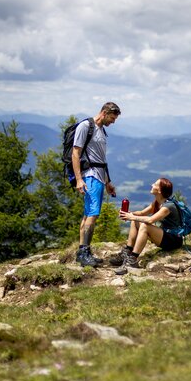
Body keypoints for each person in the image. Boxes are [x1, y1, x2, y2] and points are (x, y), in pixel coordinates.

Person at [73, 102, 121, 267]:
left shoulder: (101, 130)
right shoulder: (86, 126)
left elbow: (101, 159)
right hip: (90, 176)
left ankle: (83, 252)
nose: (113, 122)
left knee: (88, 214)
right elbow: (75, 153)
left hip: (100, 176)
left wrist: (108, 182)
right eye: (112, 118)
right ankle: (84, 253)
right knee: (93, 214)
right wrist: (79, 179)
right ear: (105, 112)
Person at [110, 177, 186, 275]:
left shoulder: (168, 206)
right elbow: (141, 213)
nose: (152, 185)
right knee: (135, 220)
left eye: (155, 184)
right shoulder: (157, 203)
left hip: (174, 240)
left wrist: (131, 216)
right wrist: (129, 214)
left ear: (159, 190)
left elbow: (151, 220)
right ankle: (127, 252)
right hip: (166, 236)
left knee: (145, 225)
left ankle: (132, 260)